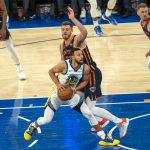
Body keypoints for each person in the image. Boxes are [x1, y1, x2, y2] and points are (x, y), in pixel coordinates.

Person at [24, 48, 119, 145]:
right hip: (58, 94)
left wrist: (75, 89)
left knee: (88, 113)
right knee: (47, 119)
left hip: (71, 94)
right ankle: (33, 125)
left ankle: (104, 136)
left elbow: (85, 81)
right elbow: (51, 71)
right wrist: (58, 84)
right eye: (78, 55)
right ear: (72, 57)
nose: (81, 56)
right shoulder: (64, 65)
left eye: (81, 54)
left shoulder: (85, 68)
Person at [59, 7, 129, 138]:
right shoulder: (62, 46)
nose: (64, 31)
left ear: (71, 30)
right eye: (62, 30)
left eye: (67, 29)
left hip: (91, 74)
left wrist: (73, 18)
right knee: (79, 105)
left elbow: (84, 31)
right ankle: (101, 121)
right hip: (80, 78)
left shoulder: (77, 40)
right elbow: (63, 65)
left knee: (89, 109)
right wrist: (62, 82)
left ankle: (120, 122)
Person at [0, 0, 26, 80]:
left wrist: (3, 28)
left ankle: (19, 68)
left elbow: (4, 11)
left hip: (1, 19)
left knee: (9, 46)